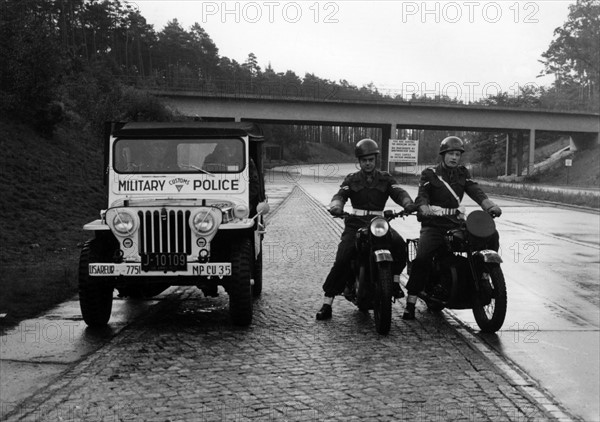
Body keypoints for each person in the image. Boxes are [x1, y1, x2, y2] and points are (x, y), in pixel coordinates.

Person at [402, 136, 502, 320]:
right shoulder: (429, 173)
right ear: (443, 155)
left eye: (457, 154)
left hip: (456, 222)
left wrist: (489, 206)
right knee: (423, 257)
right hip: (434, 225)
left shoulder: (463, 173)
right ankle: (411, 302)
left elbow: (475, 191)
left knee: (490, 235)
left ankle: (484, 274)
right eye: (451, 154)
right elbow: (422, 195)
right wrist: (423, 208)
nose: (454, 158)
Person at [316, 138, 417, 321]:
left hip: (379, 223)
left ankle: (393, 283)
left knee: (400, 245)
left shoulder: (386, 178)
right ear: (359, 161)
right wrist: (336, 206)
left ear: (375, 159)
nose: (368, 163)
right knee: (343, 257)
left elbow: (398, 192)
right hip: (356, 223)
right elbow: (341, 194)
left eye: (371, 159)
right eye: (364, 160)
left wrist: (408, 203)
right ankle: (327, 302)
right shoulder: (352, 179)